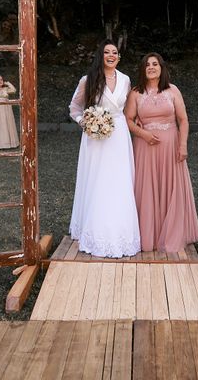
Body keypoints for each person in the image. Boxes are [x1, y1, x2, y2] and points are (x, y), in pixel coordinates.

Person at [68, 39, 141, 258]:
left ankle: (122, 229)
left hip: (119, 134)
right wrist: (87, 123)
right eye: (107, 52)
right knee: (98, 179)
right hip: (96, 138)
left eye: (115, 52)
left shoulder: (126, 80)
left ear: (119, 57)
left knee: (120, 180)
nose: (111, 55)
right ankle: (94, 229)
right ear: (101, 55)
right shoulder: (87, 79)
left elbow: (129, 109)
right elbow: (74, 108)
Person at [125, 52, 198, 252]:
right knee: (147, 189)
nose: (151, 67)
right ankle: (148, 236)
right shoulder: (135, 92)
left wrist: (183, 145)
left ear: (161, 68)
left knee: (170, 188)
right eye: (147, 64)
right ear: (143, 69)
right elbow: (128, 120)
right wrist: (144, 134)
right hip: (145, 148)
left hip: (170, 148)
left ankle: (171, 232)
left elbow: (183, 120)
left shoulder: (172, 90)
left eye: (155, 64)